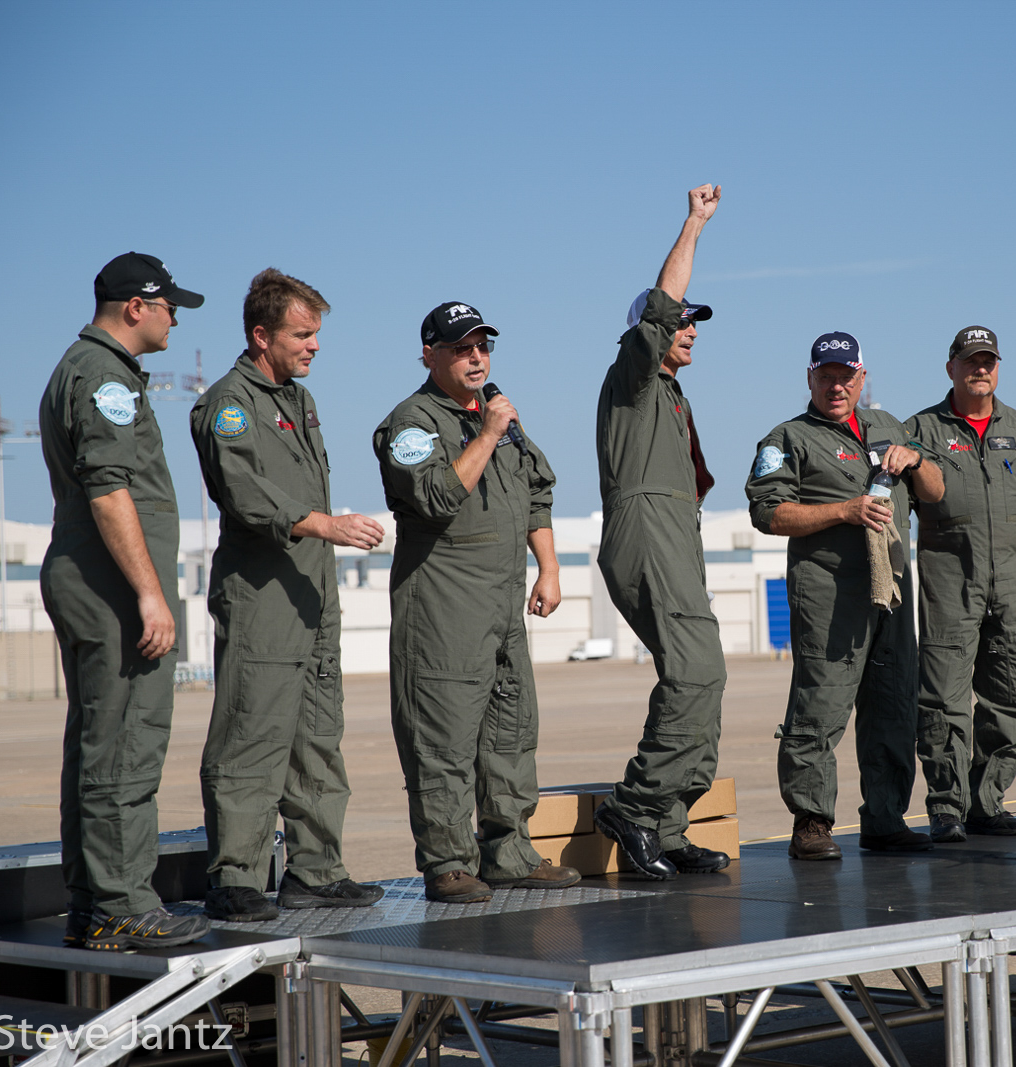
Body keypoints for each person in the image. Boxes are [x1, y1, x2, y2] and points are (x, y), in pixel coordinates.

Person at [191, 268, 386, 920]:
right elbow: (243, 491)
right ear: (261, 335)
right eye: (302, 334)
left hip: (311, 593)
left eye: (316, 333)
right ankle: (235, 877)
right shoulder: (230, 404)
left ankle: (315, 870)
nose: (314, 345)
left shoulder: (297, 400)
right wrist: (325, 525)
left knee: (317, 738)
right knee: (252, 734)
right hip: (263, 597)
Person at [372, 302, 580, 902]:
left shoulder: (497, 412)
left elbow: (536, 490)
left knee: (510, 732)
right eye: (462, 348)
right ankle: (448, 863)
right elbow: (436, 497)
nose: (476, 358)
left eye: (483, 346)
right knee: (443, 740)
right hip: (444, 609)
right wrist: (487, 434)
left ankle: (509, 852)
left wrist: (549, 568)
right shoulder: (412, 424)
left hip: (502, 606)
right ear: (430, 355)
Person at [39, 253, 211, 950]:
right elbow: (110, 491)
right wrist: (150, 594)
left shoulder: (90, 370)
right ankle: (123, 905)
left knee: (98, 744)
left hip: (93, 582)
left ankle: (93, 902)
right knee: (125, 747)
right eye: (169, 307)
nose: (175, 319)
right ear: (135, 306)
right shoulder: (104, 377)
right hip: (110, 591)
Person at [745, 332, 945, 860]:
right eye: (826, 376)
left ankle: (885, 818)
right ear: (810, 377)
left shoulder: (888, 426)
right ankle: (811, 823)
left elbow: (936, 492)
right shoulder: (788, 438)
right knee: (820, 706)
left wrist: (916, 461)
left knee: (893, 707)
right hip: (829, 594)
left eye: (846, 377)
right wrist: (844, 511)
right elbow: (768, 513)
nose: (837, 386)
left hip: (891, 591)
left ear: (861, 378)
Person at [591, 185, 732, 880]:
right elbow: (661, 308)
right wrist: (695, 224)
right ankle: (636, 807)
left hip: (674, 530)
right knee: (697, 670)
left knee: (701, 674)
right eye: (682, 322)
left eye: (696, 323)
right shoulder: (636, 377)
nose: (691, 329)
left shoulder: (671, 396)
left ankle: (667, 823)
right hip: (647, 529)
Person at [905, 326, 1016, 843]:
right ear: (951, 368)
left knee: (1015, 694)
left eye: (988, 361)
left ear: (997, 368)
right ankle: (947, 807)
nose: (980, 369)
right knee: (943, 700)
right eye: (970, 361)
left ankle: (985, 801)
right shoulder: (920, 430)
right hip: (949, 585)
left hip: (1015, 586)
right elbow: (892, 504)